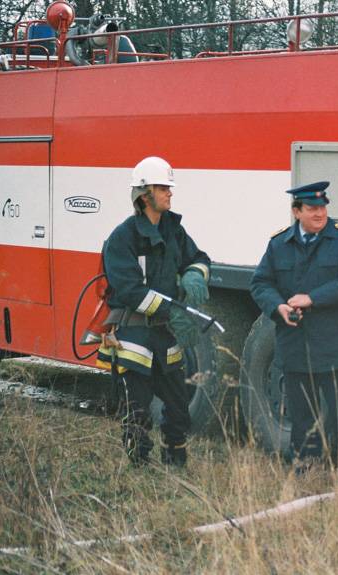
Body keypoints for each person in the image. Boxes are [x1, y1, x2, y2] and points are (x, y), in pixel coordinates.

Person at [96, 156, 210, 467]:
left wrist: (195, 274)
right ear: (144, 195)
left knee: (178, 402)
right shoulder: (123, 237)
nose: (170, 193)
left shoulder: (174, 230)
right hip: (133, 334)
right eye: (163, 188)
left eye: (169, 188)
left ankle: (176, 459)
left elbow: (198, 257)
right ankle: (139, 463)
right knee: (139, 408)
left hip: (163, 332)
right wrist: (170, 310)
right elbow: (129, 290)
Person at [250, 181, 338, 480]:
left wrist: (311, 299)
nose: (320, 213)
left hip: (334, 347)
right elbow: (261, 284)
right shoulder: (279, 244)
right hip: (295, 344)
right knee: (302, 417)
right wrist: (278, 307)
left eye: (323, 207)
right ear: (296, 211)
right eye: (312, 208)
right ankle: (306, 472)